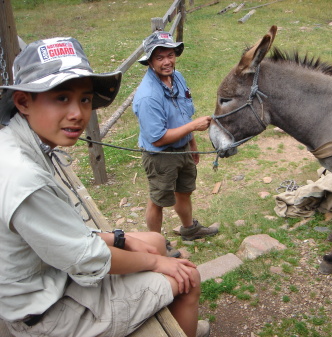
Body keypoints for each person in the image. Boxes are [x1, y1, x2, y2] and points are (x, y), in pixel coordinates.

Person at [0, 37, 209, 337]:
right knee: (188, 275)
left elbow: (60, 234)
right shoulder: (23, 177)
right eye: (61, 98)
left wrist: (120, 237)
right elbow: (87, 258)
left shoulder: (20, 146)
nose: (78, 113)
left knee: (156, 241)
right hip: (48, 313)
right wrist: (156, 262)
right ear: (23, 102)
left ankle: (179, 321)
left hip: (53, 275)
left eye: (85, 99)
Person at [133, 31, 218, 258]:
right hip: (160, 156)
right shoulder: (148, 96)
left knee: (184, 192)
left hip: (182, 149)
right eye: (159, 58)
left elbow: (184, 113)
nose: (167, 62)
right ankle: (156, 245)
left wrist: (191, 143)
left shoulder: (177, 77)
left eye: (170, 55)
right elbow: (157, 138)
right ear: (149, 62)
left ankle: (189, 229)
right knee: (158, 200)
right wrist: (192, 128)